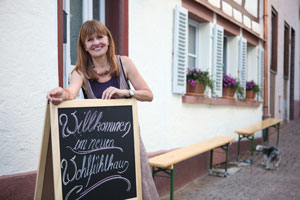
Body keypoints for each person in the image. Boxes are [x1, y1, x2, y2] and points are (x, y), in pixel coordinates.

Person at [47, 19, 159, 200]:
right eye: (90, 39)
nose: (96, 42)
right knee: (105, 189)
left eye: (100, 37)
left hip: (128, 140)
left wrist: (126, 92)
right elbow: (71, 92)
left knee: (139, 186)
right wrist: (62, 93)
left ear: (108, 40)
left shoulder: (125, 64)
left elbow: (149, 94)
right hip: (98, 145)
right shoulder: (80, 72)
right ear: (84, 45)